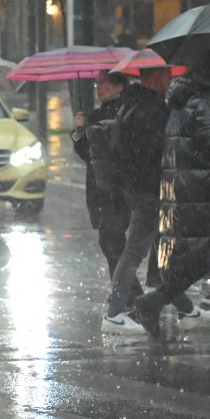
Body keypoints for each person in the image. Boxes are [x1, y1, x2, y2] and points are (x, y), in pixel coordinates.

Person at [132, 52, 210, 344]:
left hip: (191, 191)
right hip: (207, 193)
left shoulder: (185, 101)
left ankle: (157, 301)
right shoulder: (206, 103)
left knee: (208, 257)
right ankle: (157, 302)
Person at [98, 69, 174, 332]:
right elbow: (157, 152)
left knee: (159, 247)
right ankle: (115, 312)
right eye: (166, 76)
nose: (169, 81)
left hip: (139, 189)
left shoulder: (131, 106)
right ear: (156, 78)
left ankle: (179, 306)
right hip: (151, 190)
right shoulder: (152, 110)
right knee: (138, 251)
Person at [72, 71, 129, 276]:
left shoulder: (127, 113)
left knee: (114, 246)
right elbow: (88, 154)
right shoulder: (95, 116)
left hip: (119, 190)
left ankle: (125, 291)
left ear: (119, 86)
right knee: (111, 246)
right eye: (97, 83)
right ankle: (125, 291)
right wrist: (80, 132)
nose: (99, 88)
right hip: (100, 190)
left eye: (104, 83)